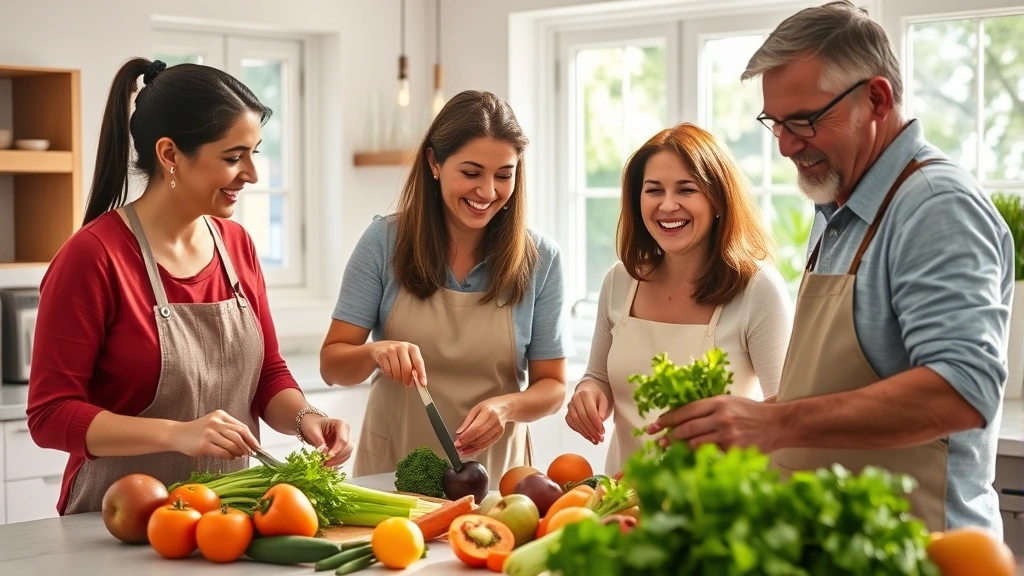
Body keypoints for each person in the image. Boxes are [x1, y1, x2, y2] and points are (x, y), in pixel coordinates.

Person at [649, 1, 1013, 536]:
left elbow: (963, 389)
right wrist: (740, 421)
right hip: (844, 539)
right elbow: (844, 382)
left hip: (925, 548)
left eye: (805, 121)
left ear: (877, 98)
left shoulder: (935, 206)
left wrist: (776, 422)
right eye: (775, 123)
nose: (786, 146)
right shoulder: (841, 206)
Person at [26, 58, 353, 516]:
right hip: (117, 528)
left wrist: (306, 419)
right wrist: (176, 433)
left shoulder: (236, 247)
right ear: (170, 154)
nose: (252, 174)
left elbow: (267, 376)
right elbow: (50, 415)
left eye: (255, 152)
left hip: (230, 521)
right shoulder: (94, 256)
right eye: (232, 157)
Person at [319, 90, 570, 485]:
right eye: (471, 173)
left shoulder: (541, 259)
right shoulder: (384, 241)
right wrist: (375, 351)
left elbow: (553, 386)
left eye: (504, 175)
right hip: (392, 469)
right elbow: (333, 365)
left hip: (498, 474)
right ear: (435, 163)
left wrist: (507, 407)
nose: (488, 192)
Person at [564, 123, 793, 476]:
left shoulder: (757, 289)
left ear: (718, 199)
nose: (667, 205)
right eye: (653, 190)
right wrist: (588, 394)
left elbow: (785, 414)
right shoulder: (621, 280)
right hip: (622, 504)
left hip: (713, 505)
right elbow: (598, 377)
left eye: (686, 190)